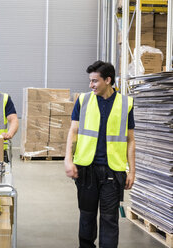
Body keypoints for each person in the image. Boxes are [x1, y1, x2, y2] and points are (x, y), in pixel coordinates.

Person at [64, 61, 135, 248]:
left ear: (108, 80)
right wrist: (68, 160)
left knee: (109, 220)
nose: (91, 85)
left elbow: (131, 140)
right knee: (86, 218)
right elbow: (73, 132)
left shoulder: (126, 103)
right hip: (86, 169)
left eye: (95, 81)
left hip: (113, 171)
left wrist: (132, 171)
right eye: (90, 81)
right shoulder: (83, 100)